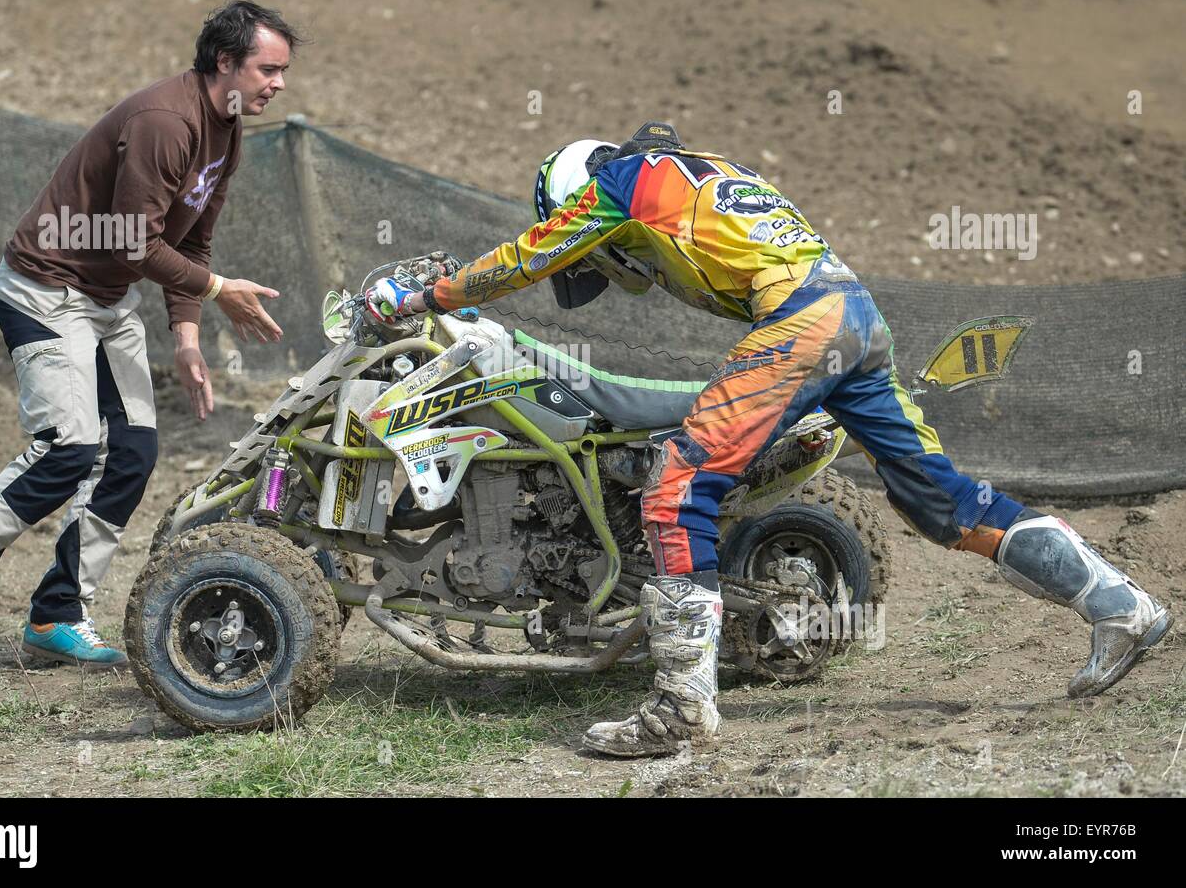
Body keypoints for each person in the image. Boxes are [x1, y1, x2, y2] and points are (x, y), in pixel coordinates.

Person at [366, 122, 1174, 757]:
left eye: (599, 250)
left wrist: (428, 292)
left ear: (576, 195)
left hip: (800, 322)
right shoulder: (699, 170)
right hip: (855, 316)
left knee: (678, 488)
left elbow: (531, 255)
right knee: (945, 506)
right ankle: (1118, 603)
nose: (609, 270)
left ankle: (682, 706)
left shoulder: (618, 181)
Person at [0, 0, 297, 669]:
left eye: (283, 70)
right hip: (45, 289)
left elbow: (194, 238)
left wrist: (185, 335)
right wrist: (215, 291)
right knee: (69, 445)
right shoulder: (163, 121)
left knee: (134, 452)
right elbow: (131, 244)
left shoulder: (226, 127)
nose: (280, 83)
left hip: (104, 299)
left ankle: (56, 612)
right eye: (268, 68)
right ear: (226, 62)